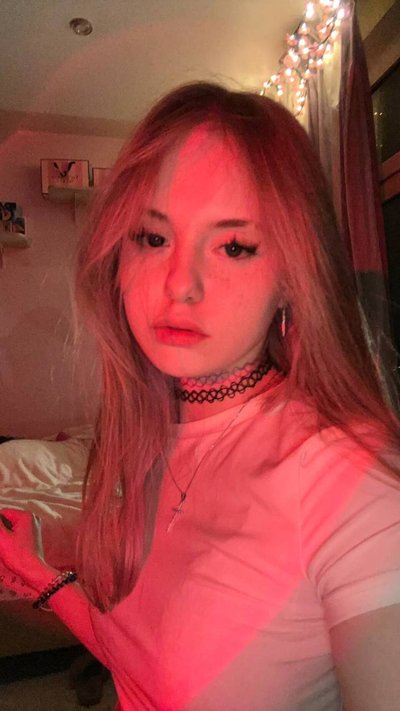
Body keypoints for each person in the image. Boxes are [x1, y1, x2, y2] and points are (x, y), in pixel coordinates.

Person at [1, 81, 400, 711]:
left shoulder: (354, 485)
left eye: (234, 246)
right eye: (152, 238)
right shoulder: (154, 435)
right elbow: (141, 662)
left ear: (294, 277)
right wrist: (40, 574)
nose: (179, 284)